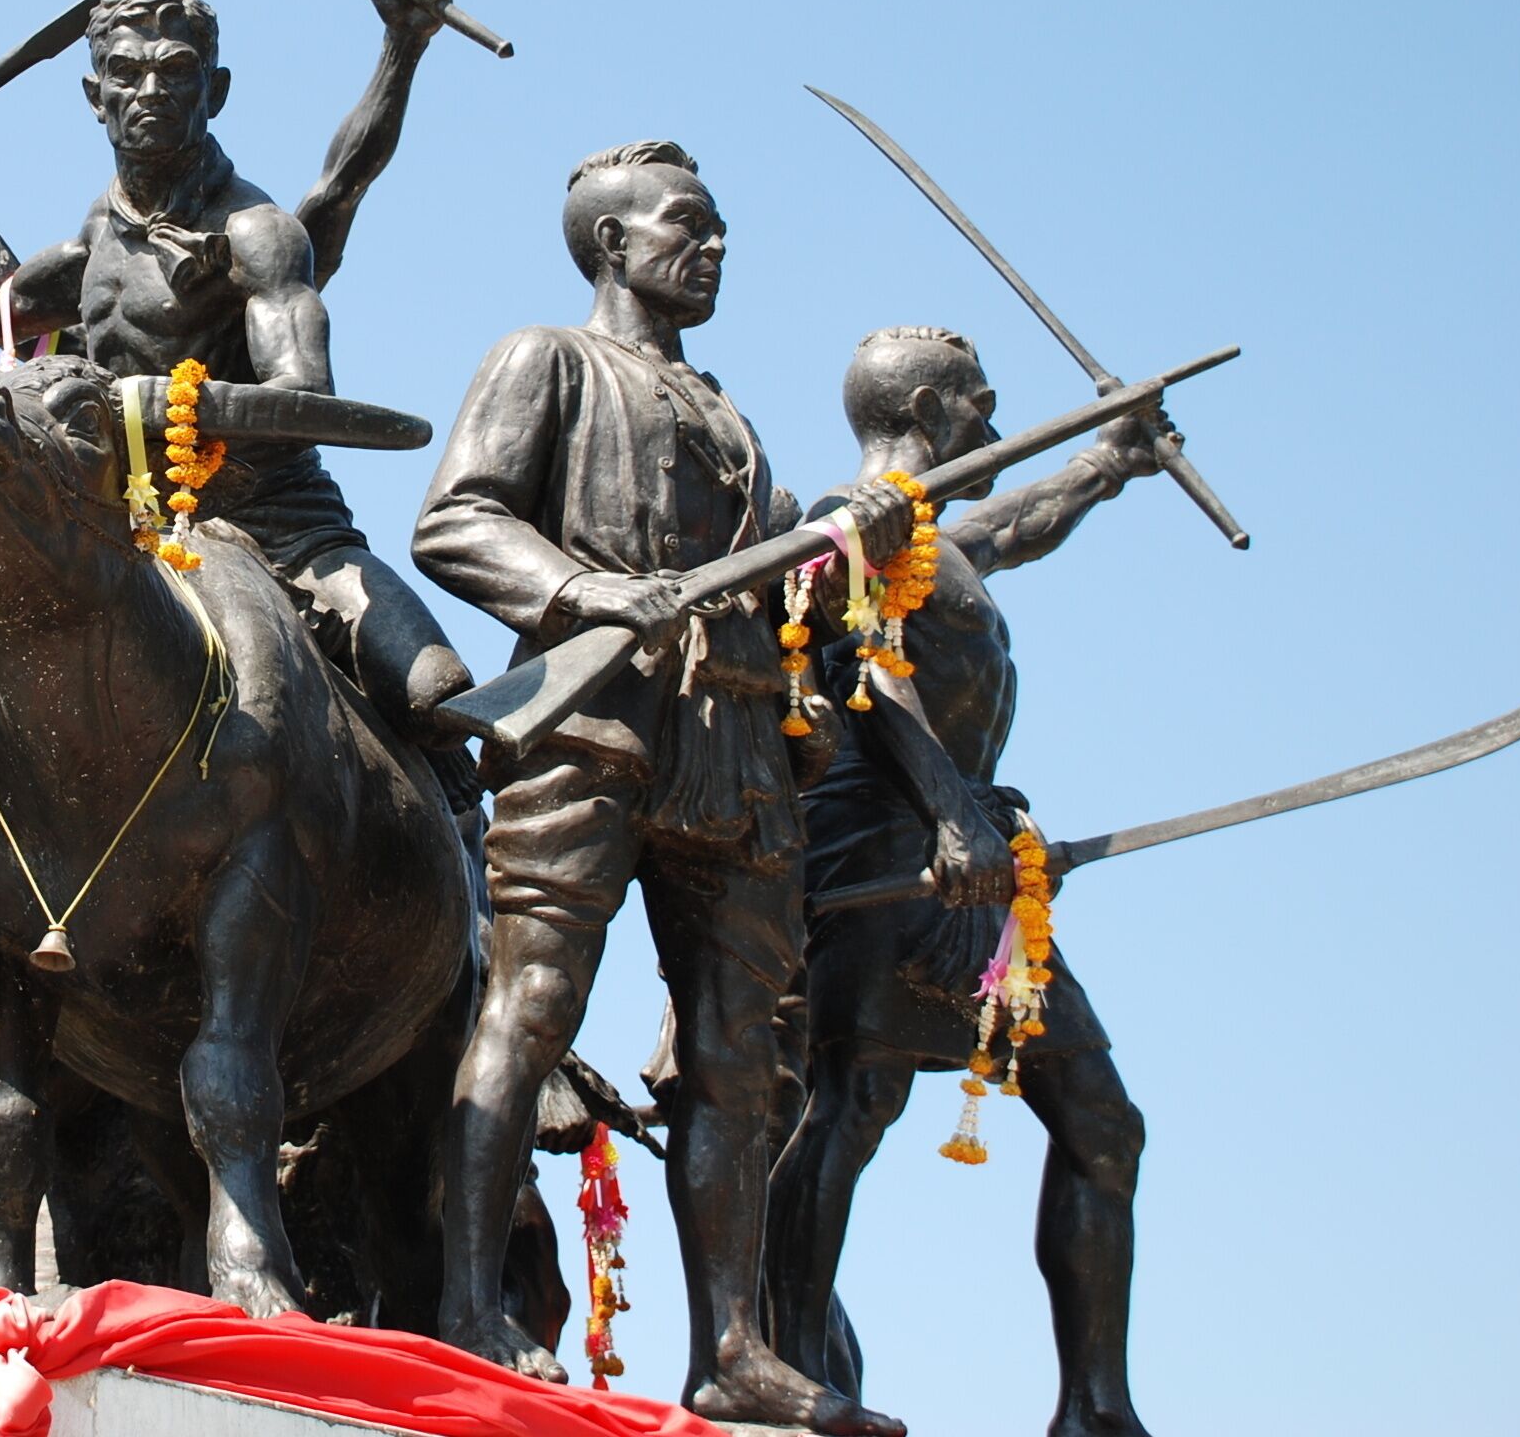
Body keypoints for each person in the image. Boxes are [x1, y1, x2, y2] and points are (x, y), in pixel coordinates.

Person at [411, 143, 938, 1431]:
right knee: (531, 1008)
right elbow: (456, 521)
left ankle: (735, 1350)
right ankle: (469, 1306)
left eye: (714, 227)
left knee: (736, 1061)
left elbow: (771, 592)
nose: (712, 246)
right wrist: (587, 591)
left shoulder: (734, 418)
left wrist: (838, 560)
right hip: (591, 722)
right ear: (611, 243)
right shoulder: (544, 359)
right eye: (686, 224)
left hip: (737, 744)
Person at [0, 0, 476, 777]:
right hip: (120, 525)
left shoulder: (258, 234)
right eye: (127, 72)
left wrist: (401, 46)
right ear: (95, 94)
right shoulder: (94, 242)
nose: (150, 89)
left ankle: (460, 835)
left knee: (433, 689)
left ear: (213, 91)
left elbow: (304, 398)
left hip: (276, 524)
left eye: (176, 71)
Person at [765, 327, 1162, 1437]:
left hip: (975, 864)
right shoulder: (844, 524)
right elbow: (867, 673)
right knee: (853, 1098)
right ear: (935, 409)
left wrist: (1104, 462)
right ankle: (794, 1367)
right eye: (984, 412)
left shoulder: (942, 542)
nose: (994, 433)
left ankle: (1094, 1408)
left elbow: (1008, 525)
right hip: (881, 852)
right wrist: (948, 813)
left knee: (1100, 1120)